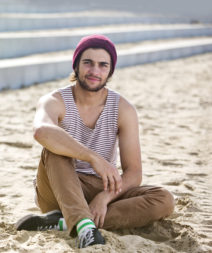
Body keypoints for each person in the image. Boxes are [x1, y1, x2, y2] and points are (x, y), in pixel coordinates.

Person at [16, 34, 175, 248]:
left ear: (110, 71)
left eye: (103, 65)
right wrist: (92, 157)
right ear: (76, 66)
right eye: (88, 63)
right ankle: (84, 228)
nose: (94, 71)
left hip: (100, 186)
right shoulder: (54, 100)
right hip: (58, 187)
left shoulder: (123, 109)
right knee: (55, 148)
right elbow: (41, 132)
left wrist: (105, 197)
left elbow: (134, 172)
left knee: (163, 199)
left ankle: (70, 223)